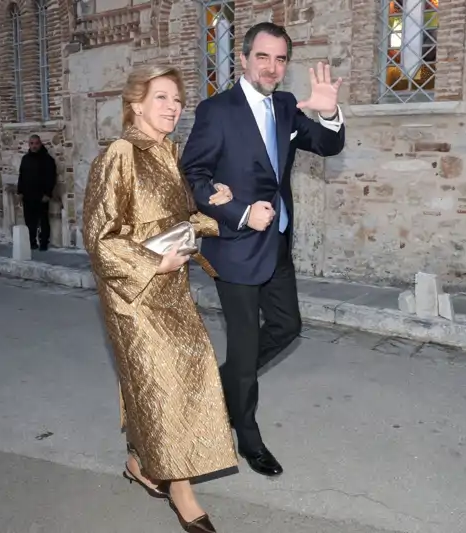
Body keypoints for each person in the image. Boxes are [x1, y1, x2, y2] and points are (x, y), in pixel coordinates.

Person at [181, 22, 346, 478]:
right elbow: (192, 174)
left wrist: (330, 115)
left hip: (276, 245)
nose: (272, 67)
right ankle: (247, 435)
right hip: (235, 248)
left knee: (287, 326)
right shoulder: (218, 110)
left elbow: (328, 145)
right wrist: (238, 211)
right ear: (243, 59)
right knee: (247, 340)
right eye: (263, 57)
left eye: (280, 60)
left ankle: (220, 384)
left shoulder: (288, 106)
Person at [82, 65, 237, 533]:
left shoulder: (169, 154)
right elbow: (99, 236)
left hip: (173, 291)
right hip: (135, 296)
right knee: (162, 384)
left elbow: (179, 219)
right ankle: (180, 490)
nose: (173, 108)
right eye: (162, 98)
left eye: (177, 100)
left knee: (184, 374)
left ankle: (140, 461)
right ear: (136, 104)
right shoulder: (121, 155)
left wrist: (215, 210)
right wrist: (154, 263)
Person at [17, 135, 56, 251]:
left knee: (43, 220)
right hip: (28, 195)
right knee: (29, 221)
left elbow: (51, 178)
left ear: (40, 144)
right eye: (32, 143)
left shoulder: (48, 160)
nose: (34, 146)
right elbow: (21, 176)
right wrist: (20, 192)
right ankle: (32, 242)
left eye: (36, 143)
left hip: (41, 196)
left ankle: (44, 243)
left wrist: (48, 194)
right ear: (29, 145)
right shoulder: (25, 159)